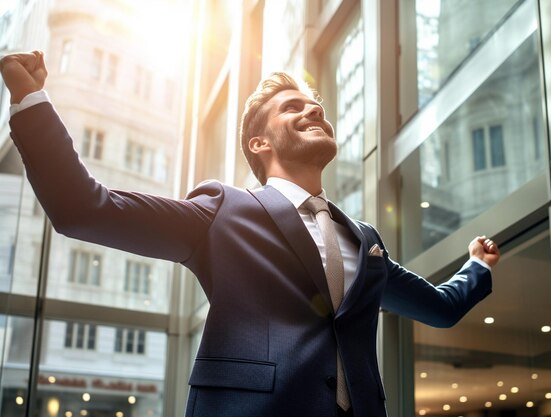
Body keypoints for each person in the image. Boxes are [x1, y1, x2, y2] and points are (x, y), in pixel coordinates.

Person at [0, 51, 500, 417]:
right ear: (258, 143)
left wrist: (476, 266)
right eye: (292, 107)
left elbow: (439, 307)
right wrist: (30, 99)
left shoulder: (363, 240)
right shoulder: (224, 211)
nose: (313, 111)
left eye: (316, 107)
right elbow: (85, 209)